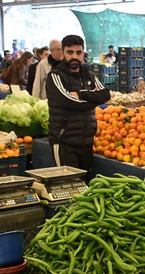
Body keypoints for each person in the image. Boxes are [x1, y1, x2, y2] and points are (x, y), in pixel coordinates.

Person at [46, 35, 110, 173]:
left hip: (86, 141)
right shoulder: (55, 76)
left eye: (78, 52)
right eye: (70, 52)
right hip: (64, 141)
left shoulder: (89, 75)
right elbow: (66, 101)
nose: (74, 56)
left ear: (83, 54)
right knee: (67, 183)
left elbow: (105, 94)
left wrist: (80, 95)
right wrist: (93, 100)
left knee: (85, 185)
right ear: (63, 53)